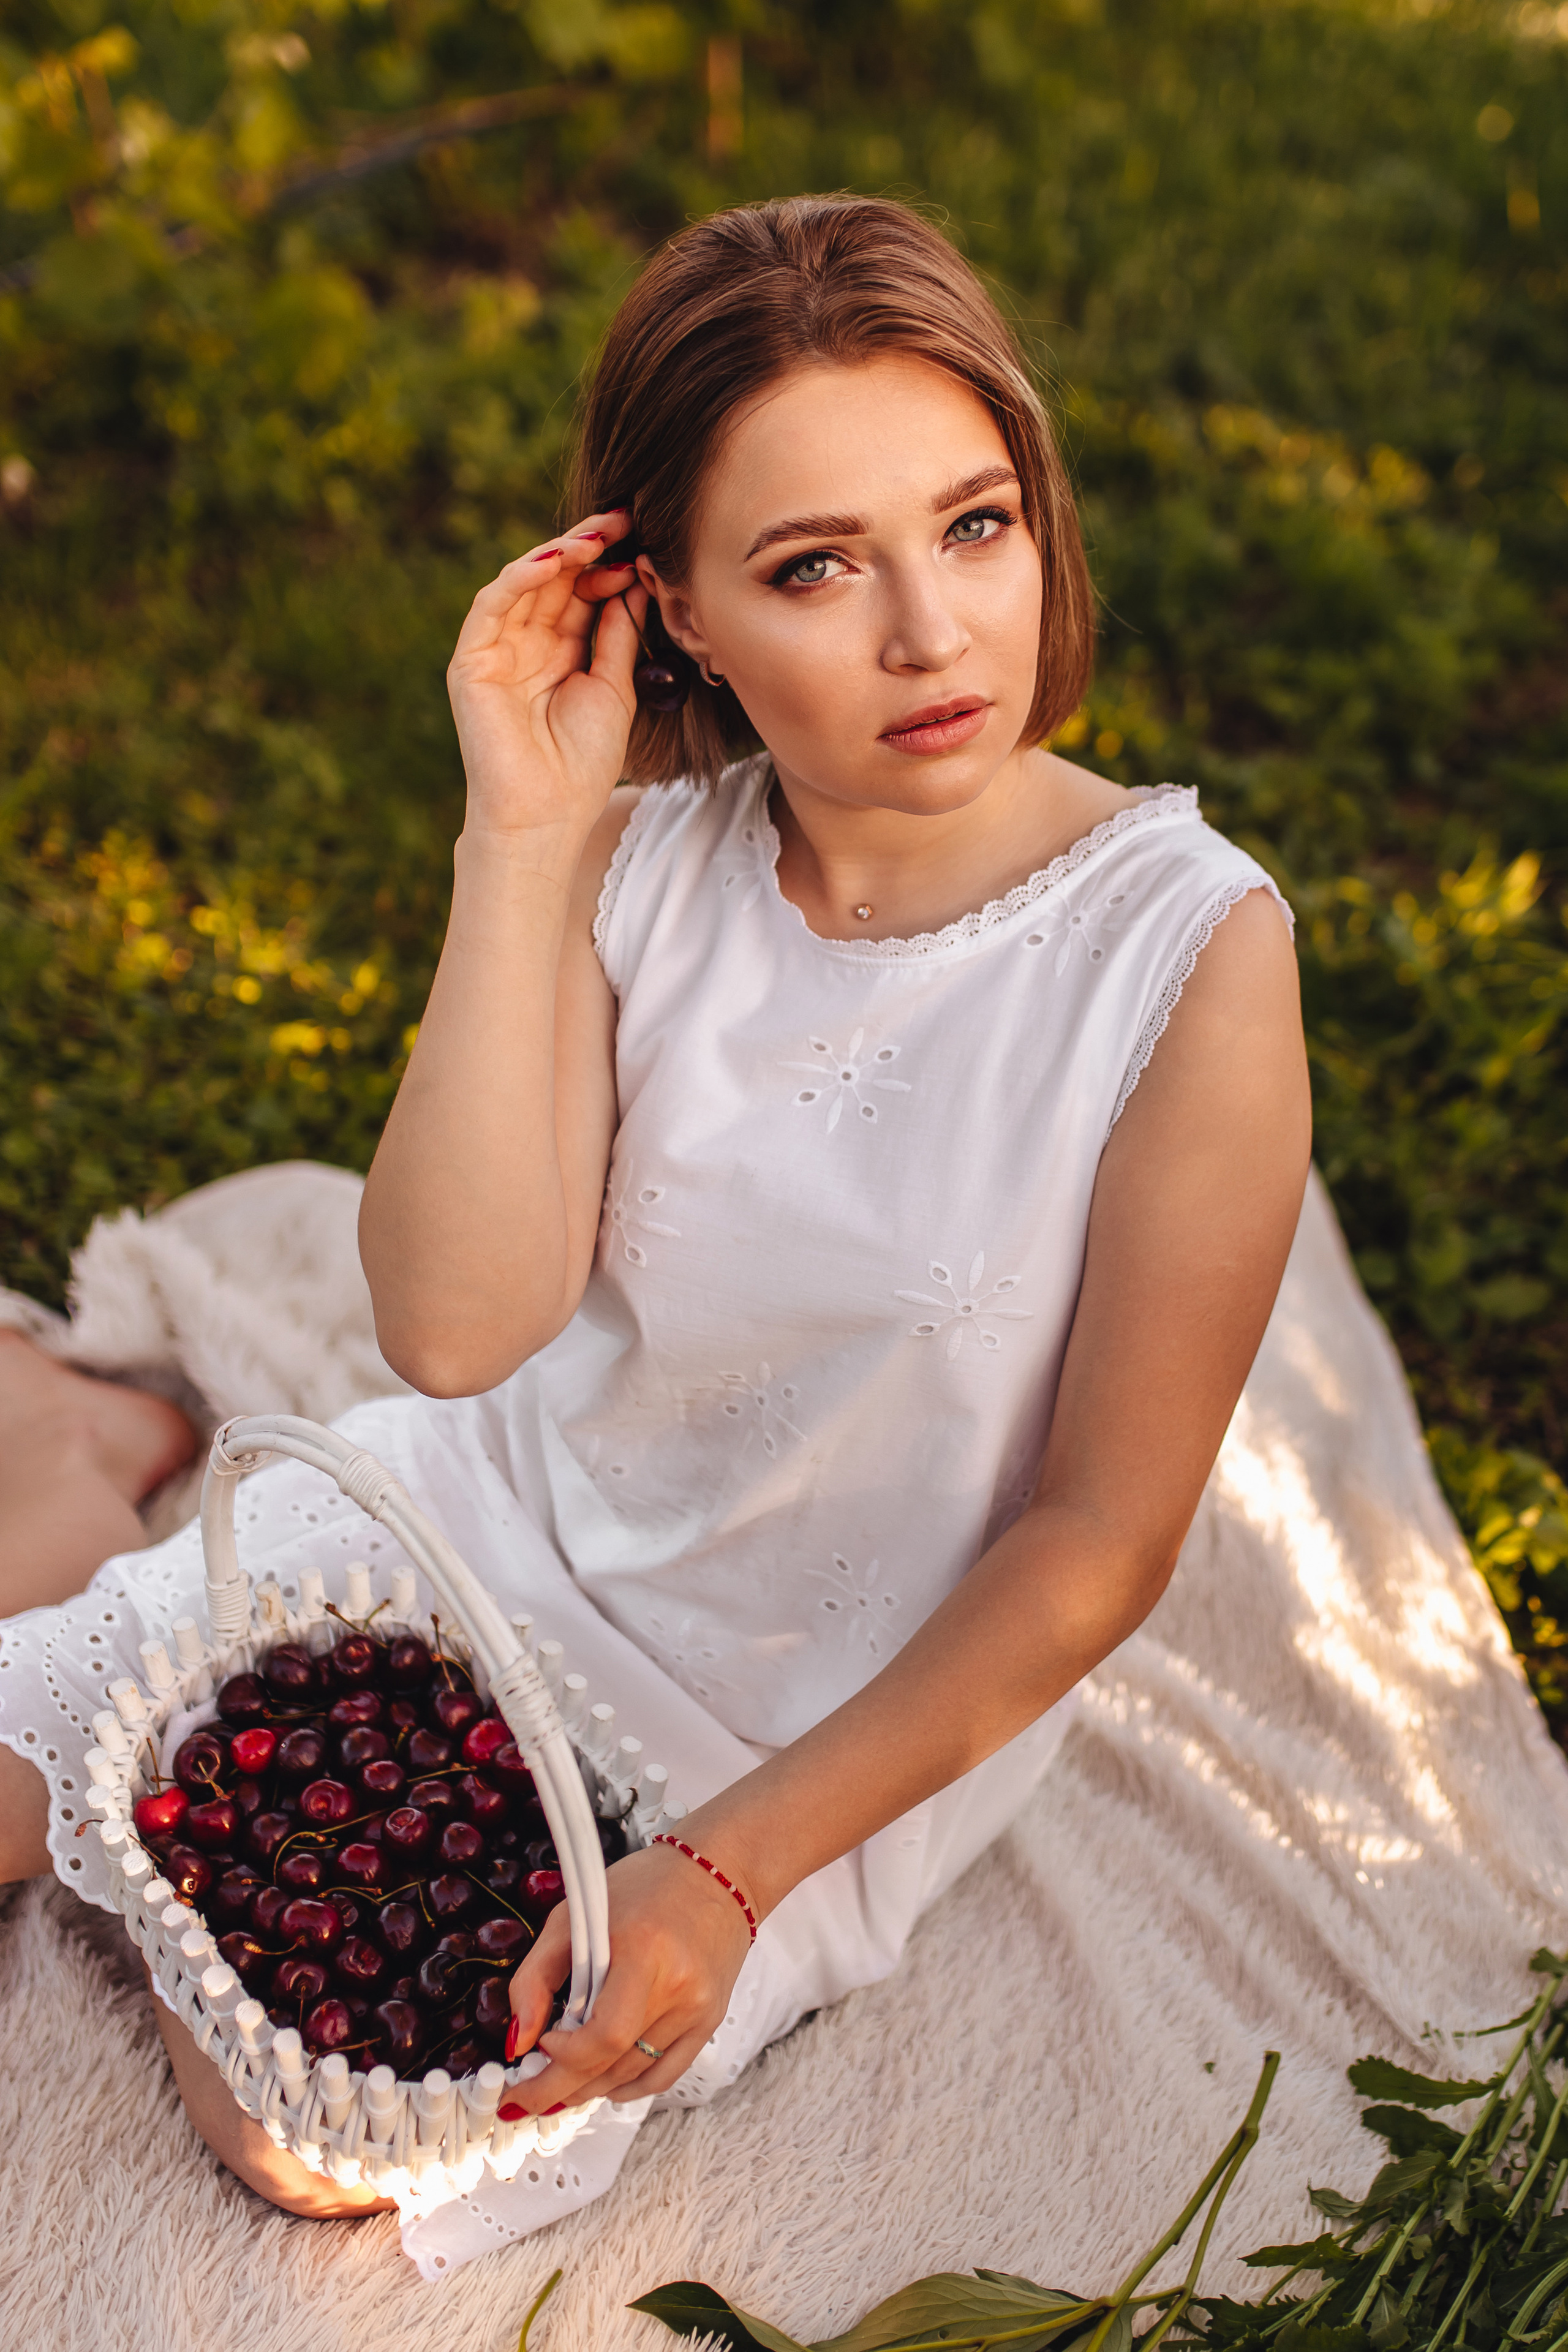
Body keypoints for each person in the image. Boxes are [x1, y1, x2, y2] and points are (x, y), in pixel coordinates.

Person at [0, 194, 1310, 2269]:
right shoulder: (640, 864)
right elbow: (449, 1332)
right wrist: (521, 834)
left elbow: (1098, 1544)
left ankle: (116, 1542)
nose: (931, 633)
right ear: (678, 609)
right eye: (814, 567)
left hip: (793, 1731)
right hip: (480, 1532)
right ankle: (112, 1498)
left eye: (973, 526)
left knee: (326, 2150)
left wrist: (726, 1868)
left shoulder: (1188, 956)